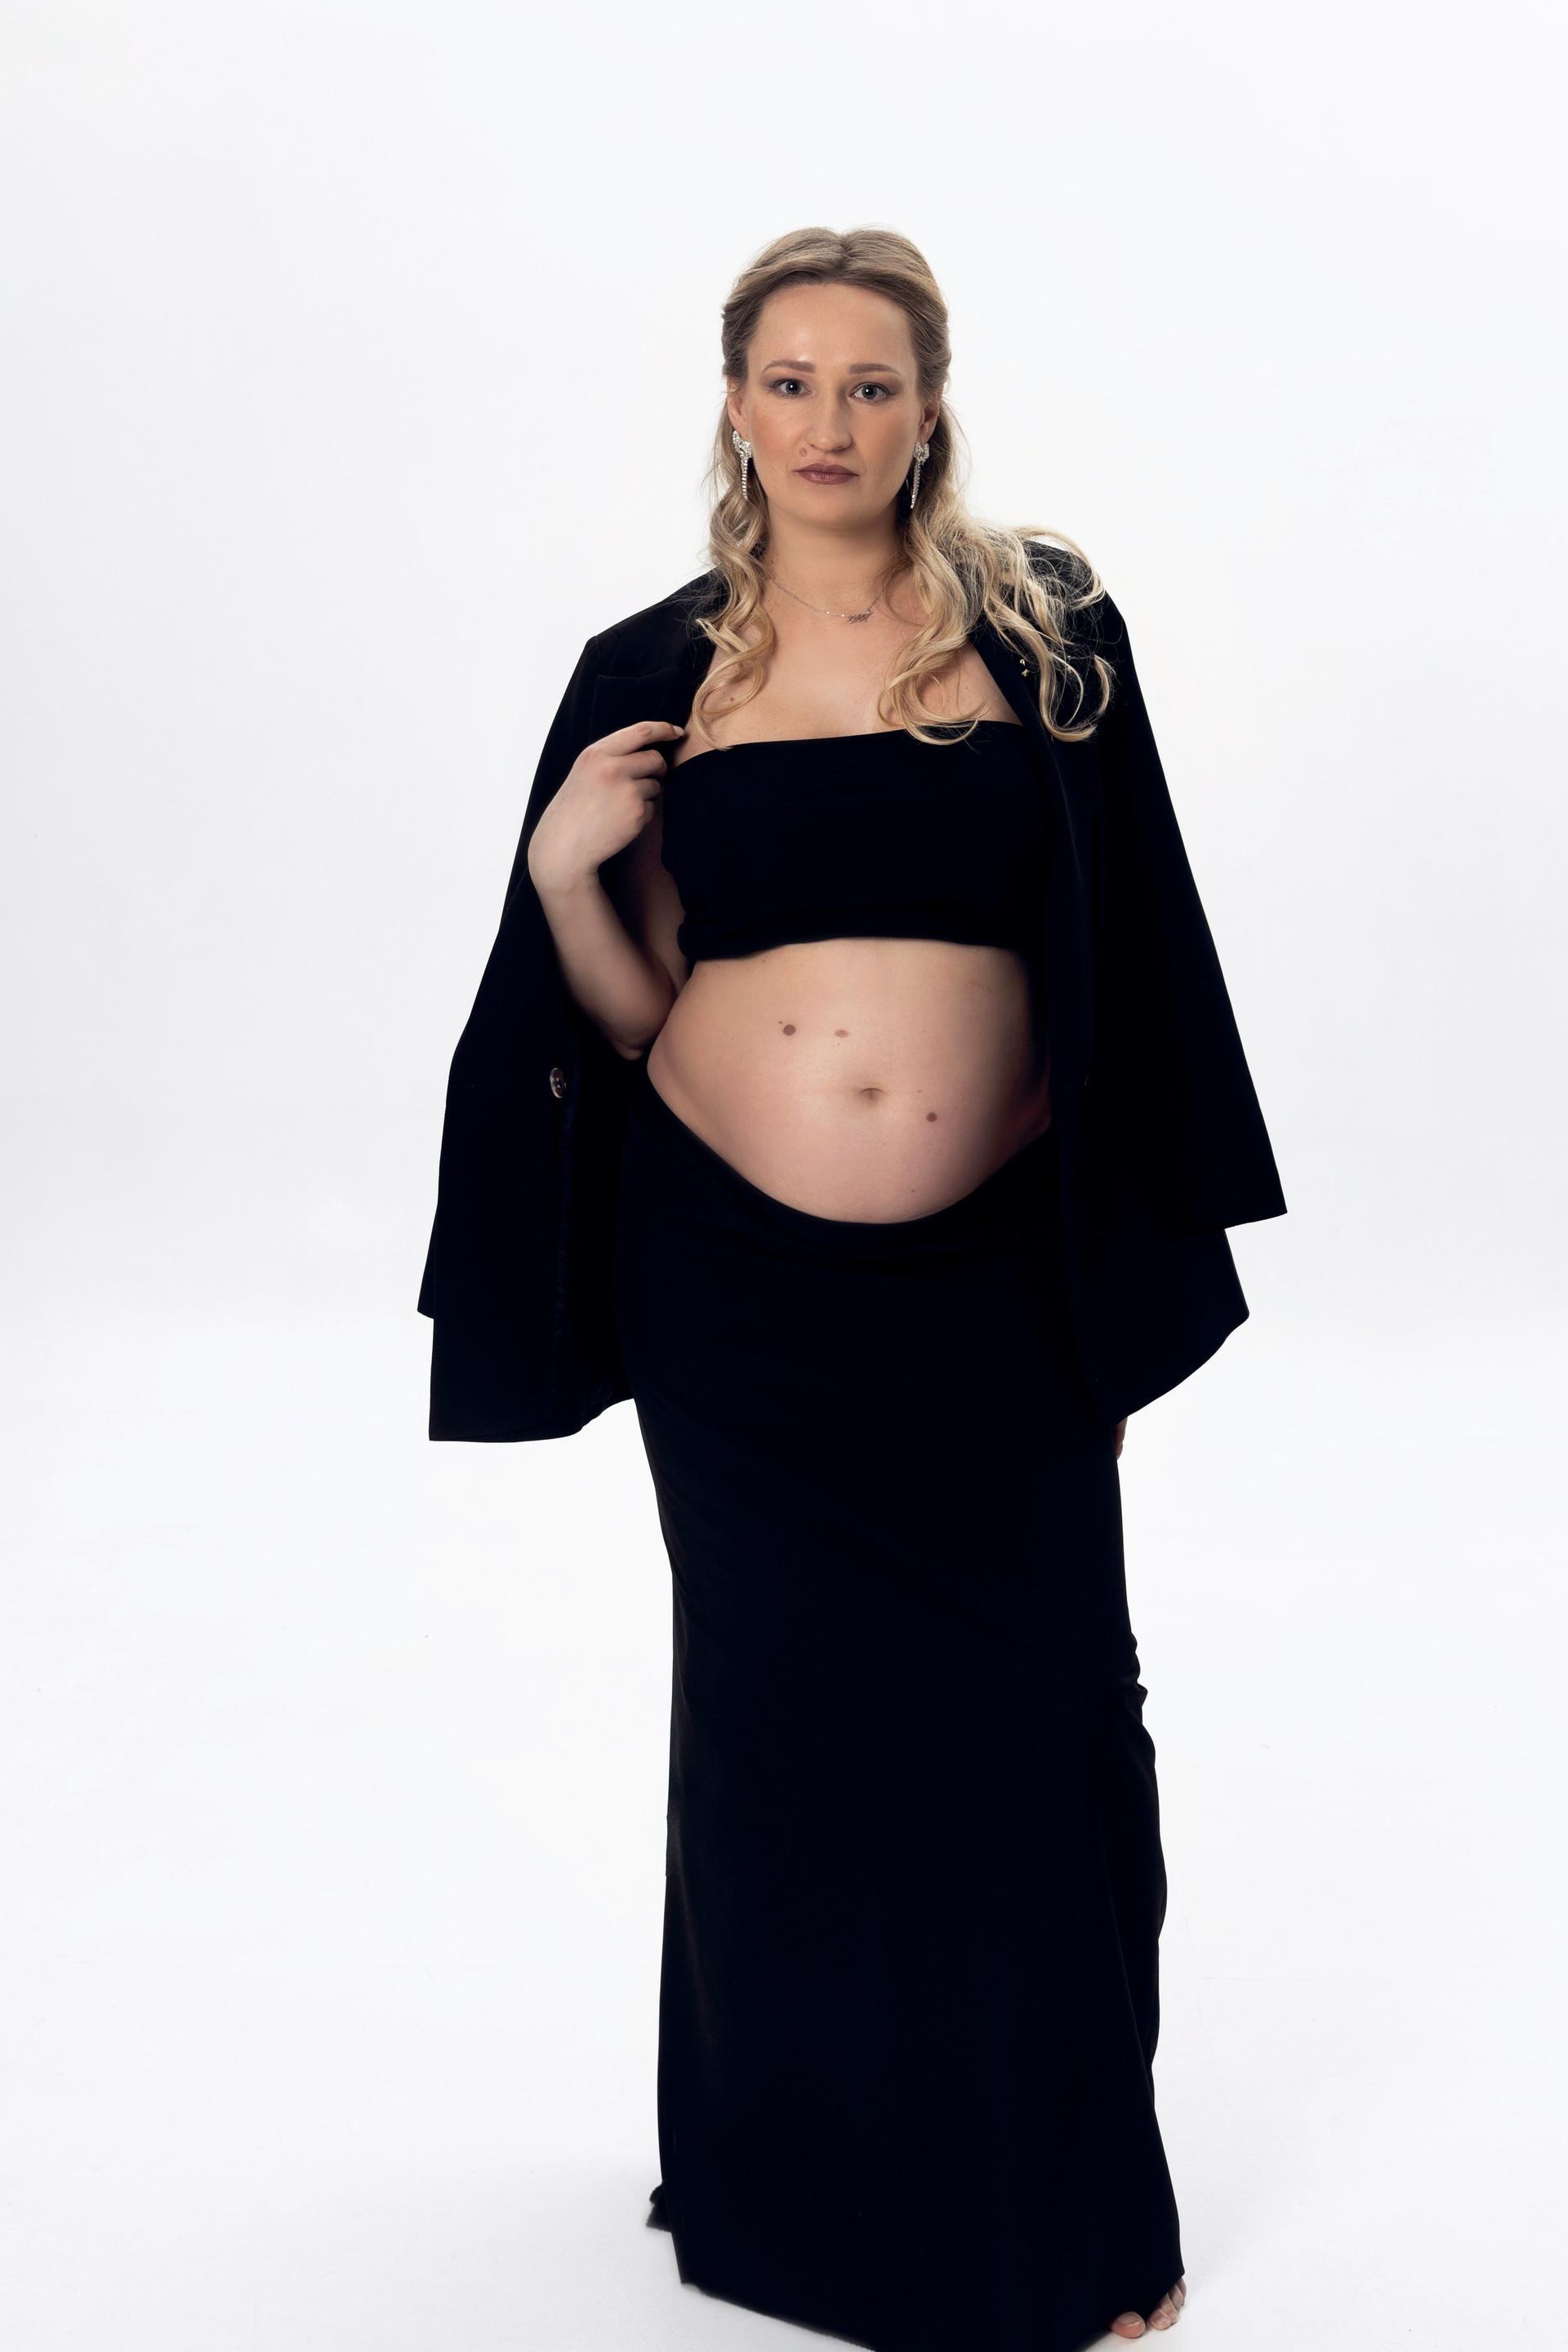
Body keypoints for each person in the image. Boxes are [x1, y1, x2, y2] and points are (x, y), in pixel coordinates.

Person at [418, 226, 1285, 2350]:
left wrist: (1133, 1237)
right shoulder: (657, 664)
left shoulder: (1045, 627)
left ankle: (1069, 2214)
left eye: (870, 384)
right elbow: (631, 1009)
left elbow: (1131, 936)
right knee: (783, 1728)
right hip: (734, 1287)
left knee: (1048, 1722)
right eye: (791, 383)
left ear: (930, 406)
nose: (830, 422)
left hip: (992, 1277)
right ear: (737, 407)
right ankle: (785, 2201)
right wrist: (557, 877)